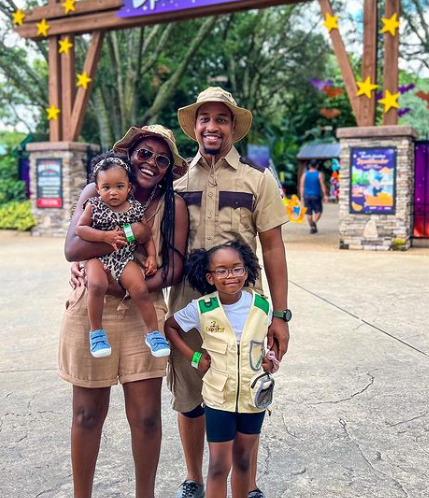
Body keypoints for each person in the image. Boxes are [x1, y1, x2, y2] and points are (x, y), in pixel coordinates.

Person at [168, 87, 291, 498]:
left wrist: (281, 314)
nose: (212, 126)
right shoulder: (178, 180)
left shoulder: (258, 180)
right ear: (196, 126)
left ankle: (247, 484)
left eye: (221, 119)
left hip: (245, 308)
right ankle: (194, 479)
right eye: (205, 119)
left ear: (233, 127)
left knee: (245, 391)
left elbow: (273, 247)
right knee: (190, 390)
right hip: (189, 302)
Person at [61, 125, 189, 498]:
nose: (152, 163)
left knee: (147, 417)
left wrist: (133, 285)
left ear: (169, 168)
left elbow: (173, 268)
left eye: (162, 159)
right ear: (130, 155)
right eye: (145, 154)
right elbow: (72, 248)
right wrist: (107, 257)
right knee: (87, 414)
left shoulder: (173, 206)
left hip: (142, 309)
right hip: (92, 307)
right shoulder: (93, 193)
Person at [165, 240, 276, 498]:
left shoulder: (262, 306)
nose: (231, 276)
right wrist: (194, 357)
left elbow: (265, 344)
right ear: (210, 276)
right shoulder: (203, 308)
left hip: (253, 398)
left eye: (237, 269)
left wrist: (272, 361)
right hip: (218, 399)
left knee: (244, 462)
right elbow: (170, 327)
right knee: (218, 466)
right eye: (222, 270)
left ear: (247, 271)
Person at [76, 152, 171, 359]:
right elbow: (80, 229)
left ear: (129, 187)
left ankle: (154, 334)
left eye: (119, 186)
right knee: (96, 285)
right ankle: (97, 333)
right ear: (97, 188)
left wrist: (152, 257)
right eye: (106, 187)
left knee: (140, 288)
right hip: (97, 259)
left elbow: (146, 236)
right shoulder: (94, 206)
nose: (113, 192)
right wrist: (103, 236)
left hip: (124, 258)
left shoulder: (135, 208)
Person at [299, 160, 328, 234]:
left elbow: (301, 186)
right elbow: (322, 185)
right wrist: (325, 195)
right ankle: (314, 223)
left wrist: (302, 197)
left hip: (306, 196)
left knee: (309, 213)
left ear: (309, 166)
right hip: (316, 196)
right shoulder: (319, 174)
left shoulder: (305, 175)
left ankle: (312, 227)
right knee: (319, 211)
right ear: (317, 166)